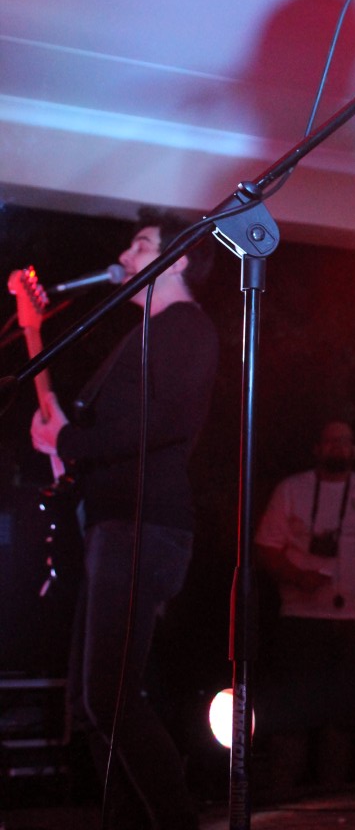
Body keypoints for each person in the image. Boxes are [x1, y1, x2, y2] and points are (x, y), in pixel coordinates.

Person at [30, 208, 219, 830]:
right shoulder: (144, 334)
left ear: (178, 259)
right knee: (90, 705)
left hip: (144, 525)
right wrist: (63, 441)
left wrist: (69, 442)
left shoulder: (186, 327)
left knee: (110, 697)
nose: (126, 256)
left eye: (141, 245)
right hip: (113, 524)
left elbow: (161, 424)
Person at [255, 419, 355, 799]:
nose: (337, 447)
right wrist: (297, 576)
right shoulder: (292, 489)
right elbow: (266, 547)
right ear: (317, 448)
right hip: (302, 619)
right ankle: (282, 801)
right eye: (330, 441)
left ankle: (335, 802)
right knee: (292, 715)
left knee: (346, 717)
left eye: (344, 441)